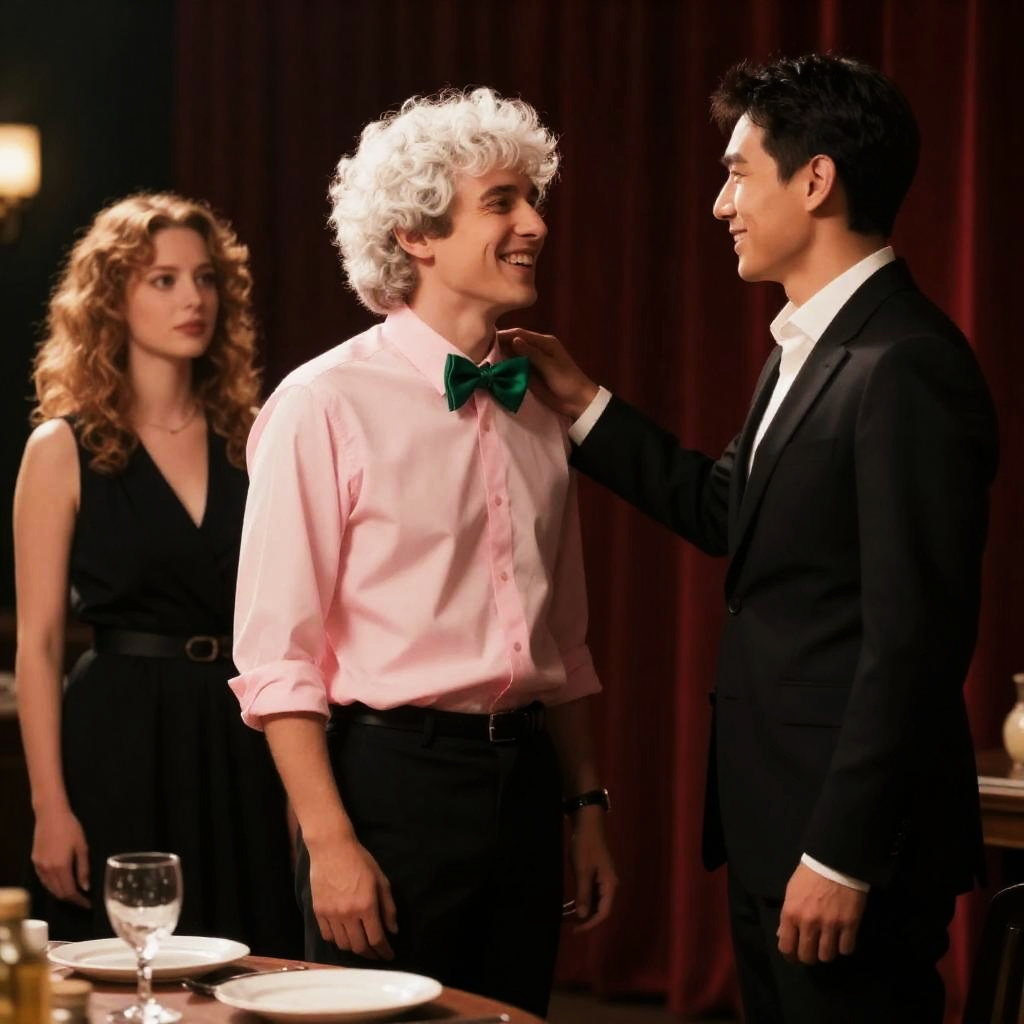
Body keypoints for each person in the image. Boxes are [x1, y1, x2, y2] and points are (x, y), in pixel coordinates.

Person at [505, 54, 998, 1023]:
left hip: (847, 849)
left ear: (815, 181)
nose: (720, 203)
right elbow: (724, 508)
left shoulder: (904, 363)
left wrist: (842, 853)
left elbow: (916, 642)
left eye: (737, 172)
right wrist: (584, 403)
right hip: (776, 828)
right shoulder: (807, 344)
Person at [229, 88, 616, 1017]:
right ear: (416, 234)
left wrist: (586, 809)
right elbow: (277, 657)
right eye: (502, 202)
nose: (536, 224)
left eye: (533, 199)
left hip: (526, 786)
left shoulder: (539, 405)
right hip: (390, 788)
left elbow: (563, 642)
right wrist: (329, 843)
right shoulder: (322, 403)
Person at [13, 193, 301, 956]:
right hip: (118, 734)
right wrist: (49, 806)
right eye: (164, 280)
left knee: (250, 958)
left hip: (238, 731)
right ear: (112, 298)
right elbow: (38, 644)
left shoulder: (254, 438)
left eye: (204, 278)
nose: (193, 299)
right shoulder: (62, 448)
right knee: (122, 964)